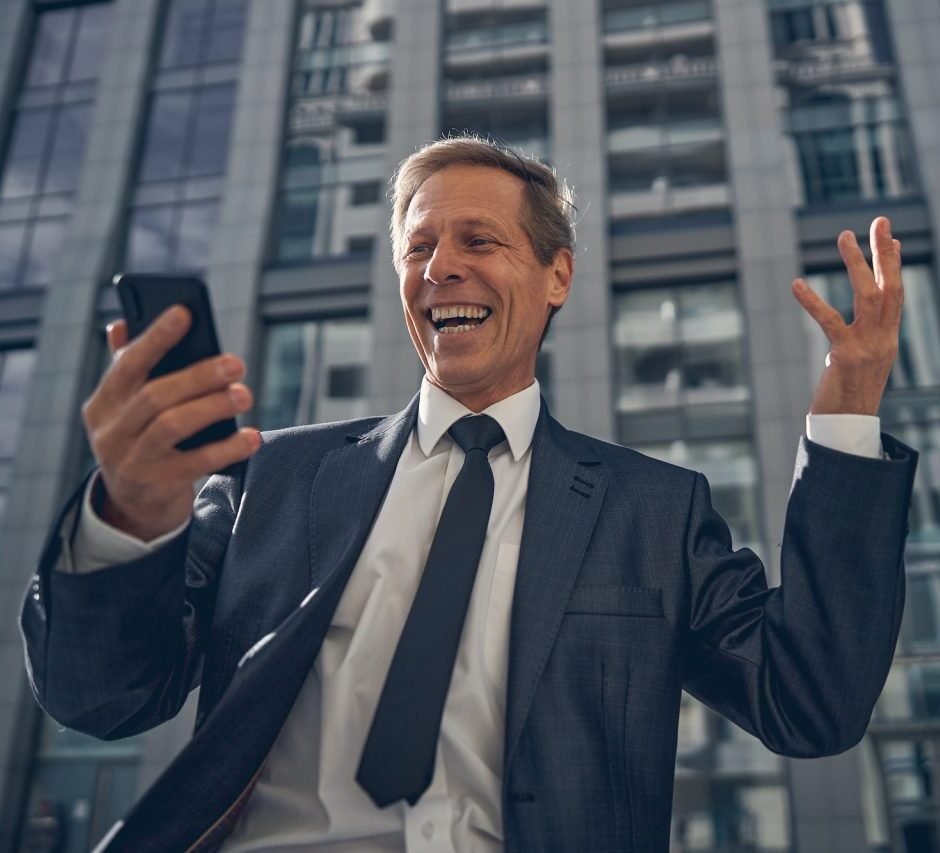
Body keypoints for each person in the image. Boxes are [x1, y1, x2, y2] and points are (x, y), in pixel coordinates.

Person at [20, 137, 918, 853]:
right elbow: (102, 698)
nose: (439, 266)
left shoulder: (655, 512)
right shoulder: (272, 476)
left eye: (479, 241)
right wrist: (131, 515)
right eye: (419, 247)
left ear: (556, 275)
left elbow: (811, 702)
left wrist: (846, 424)